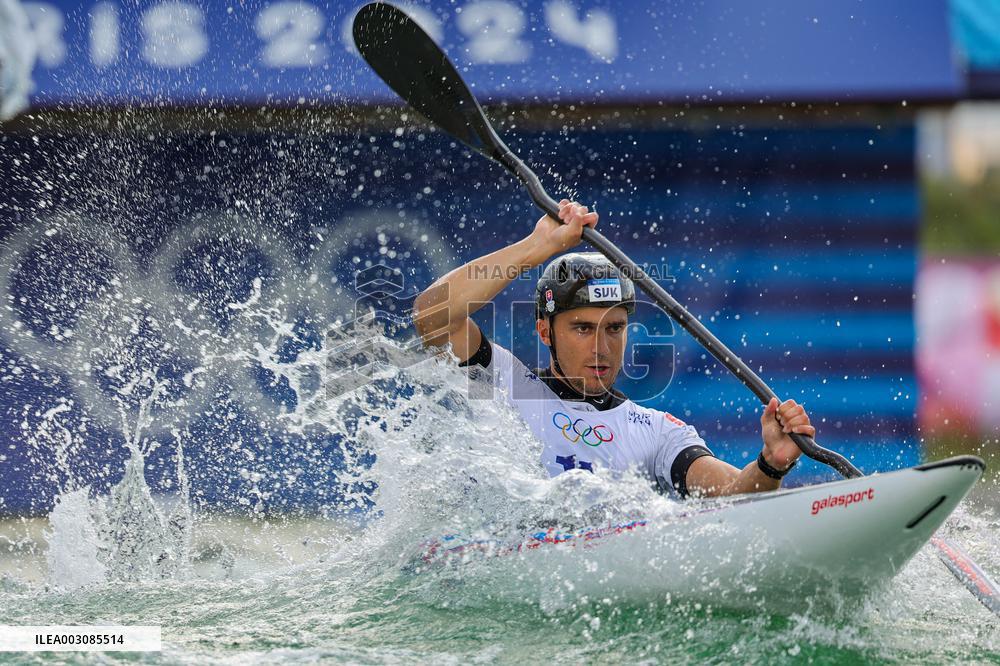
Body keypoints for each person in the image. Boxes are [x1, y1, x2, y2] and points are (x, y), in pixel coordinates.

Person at [412, 200, 815, 498]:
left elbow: (733, 497)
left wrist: (771, 462)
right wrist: (536, 248)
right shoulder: (501, 385)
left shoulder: (657, 431)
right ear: (545, 332)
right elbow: (433, 313)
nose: (601, 347)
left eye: (615, 328)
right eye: (583, 328)